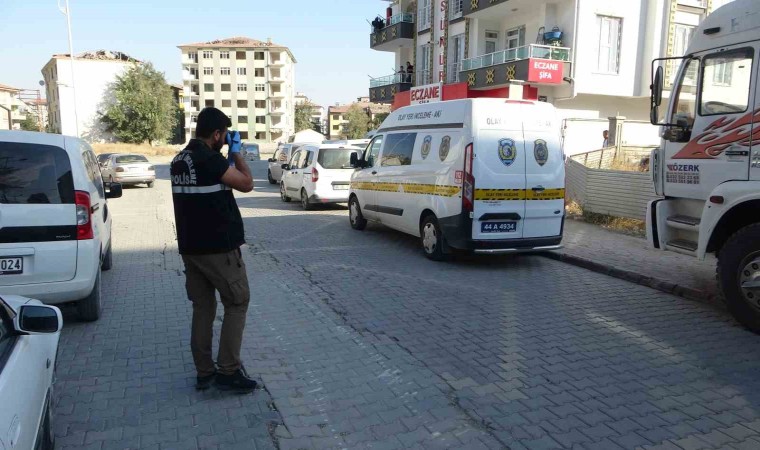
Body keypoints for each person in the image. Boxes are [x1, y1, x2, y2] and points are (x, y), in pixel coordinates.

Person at [170, 107, 256, 393]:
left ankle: (204, 373)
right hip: (219, 249)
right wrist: (238, 153)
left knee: (203, 308)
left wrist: (227, 156)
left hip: (191, 249)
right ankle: (228, 371)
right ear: (217, 134)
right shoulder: (209, 159)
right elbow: (246, 184)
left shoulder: (179, 159)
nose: (225, 140)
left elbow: (216, 182)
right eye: (224, 135)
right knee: (237, 302)